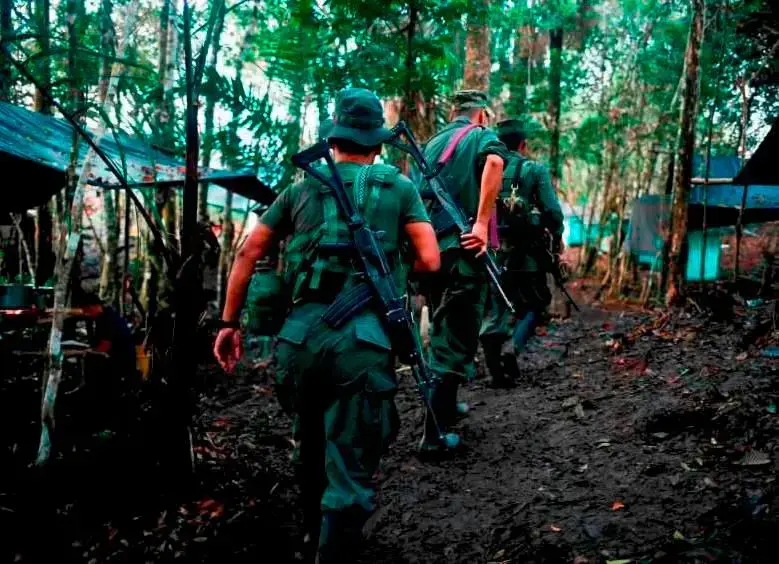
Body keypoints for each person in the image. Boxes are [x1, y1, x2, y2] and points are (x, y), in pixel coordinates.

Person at [213, 87, 440, 564]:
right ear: (377, 142)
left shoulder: (299, 189)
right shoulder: (398, 187)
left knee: (309, 444)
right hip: (362, 342)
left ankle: (309, 536)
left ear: (333, 141)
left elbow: (248, 253)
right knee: (350, 464)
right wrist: (390, 273)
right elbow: (430, 259)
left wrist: (229, 323)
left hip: (298, 340)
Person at [418, 89, 506, 452]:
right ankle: (433, 437)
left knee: (443, 326)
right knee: (455, 337)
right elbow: (497, 164)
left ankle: (448, 406)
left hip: (432, 253)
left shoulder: (430, 144)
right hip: (463, 250)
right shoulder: (481, 136)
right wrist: (482, 222)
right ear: (481, 114)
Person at [479, 118, 564, 387]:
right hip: (528, 253)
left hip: (493, 252)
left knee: (497, 308)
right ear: (523, 144)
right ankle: (513, 347)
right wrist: (556, 237)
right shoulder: (533, 169)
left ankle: (496, 373)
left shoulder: (485, 169)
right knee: (537, 303)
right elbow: (553, 211)